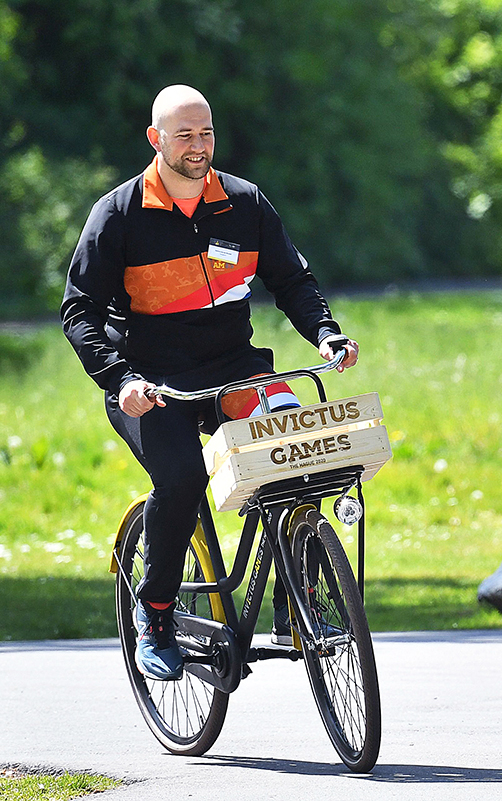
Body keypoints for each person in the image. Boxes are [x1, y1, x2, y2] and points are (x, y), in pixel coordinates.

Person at [62, 85, 359, 680]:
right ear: (156, 139)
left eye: (206, 133)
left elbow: (292, 281)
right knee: (183, 479)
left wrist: (326, 334)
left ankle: (294, 609)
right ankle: (156, 615)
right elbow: (79, 312)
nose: (198, 147)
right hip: (151, 384)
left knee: (297, 454)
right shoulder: (118, 215)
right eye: (184, 135)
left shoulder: (245, 203)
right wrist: (120, 380)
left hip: (235, 369)